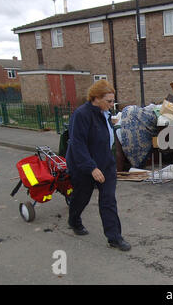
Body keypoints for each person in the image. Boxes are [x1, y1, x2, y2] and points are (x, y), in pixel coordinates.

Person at [66, 79, 131, 251]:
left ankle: (114, 237)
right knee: (82, 197)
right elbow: (77, 144)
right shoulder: (82, 115)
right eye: (108, 101)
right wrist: (91, 168)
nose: (111, 105)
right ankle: (74, 220)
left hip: (105, 163)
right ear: (96, 98)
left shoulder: (105, 113)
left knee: (108, 200)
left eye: (112, 101)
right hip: (84, 165)